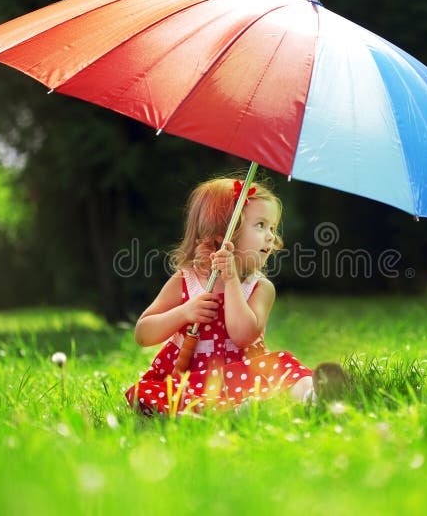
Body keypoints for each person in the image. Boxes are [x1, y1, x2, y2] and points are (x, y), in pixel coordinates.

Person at [125, 177, 344, 416]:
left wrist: (231, 281)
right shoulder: (185, 281)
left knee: (283, 364)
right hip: (192, 381)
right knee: (151, 392)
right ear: (223, 233)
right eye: (260, 225)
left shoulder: (259, 287)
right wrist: (183, 312)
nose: (271, 236)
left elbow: (243, 336)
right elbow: (143, 334)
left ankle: (312, 393)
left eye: (272, 227)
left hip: (246, 376)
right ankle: (221, 411)